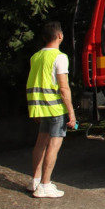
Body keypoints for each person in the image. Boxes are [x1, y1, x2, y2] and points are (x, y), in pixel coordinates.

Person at [27, 21, 77, 198]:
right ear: (60, 36)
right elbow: (63, 87)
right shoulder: (60, 57)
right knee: (53, 147)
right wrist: (71, 112)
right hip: (56, 108)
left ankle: (35, 180)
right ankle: (45, 184)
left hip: (39, 107)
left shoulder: (36, 57)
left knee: (40, 143)